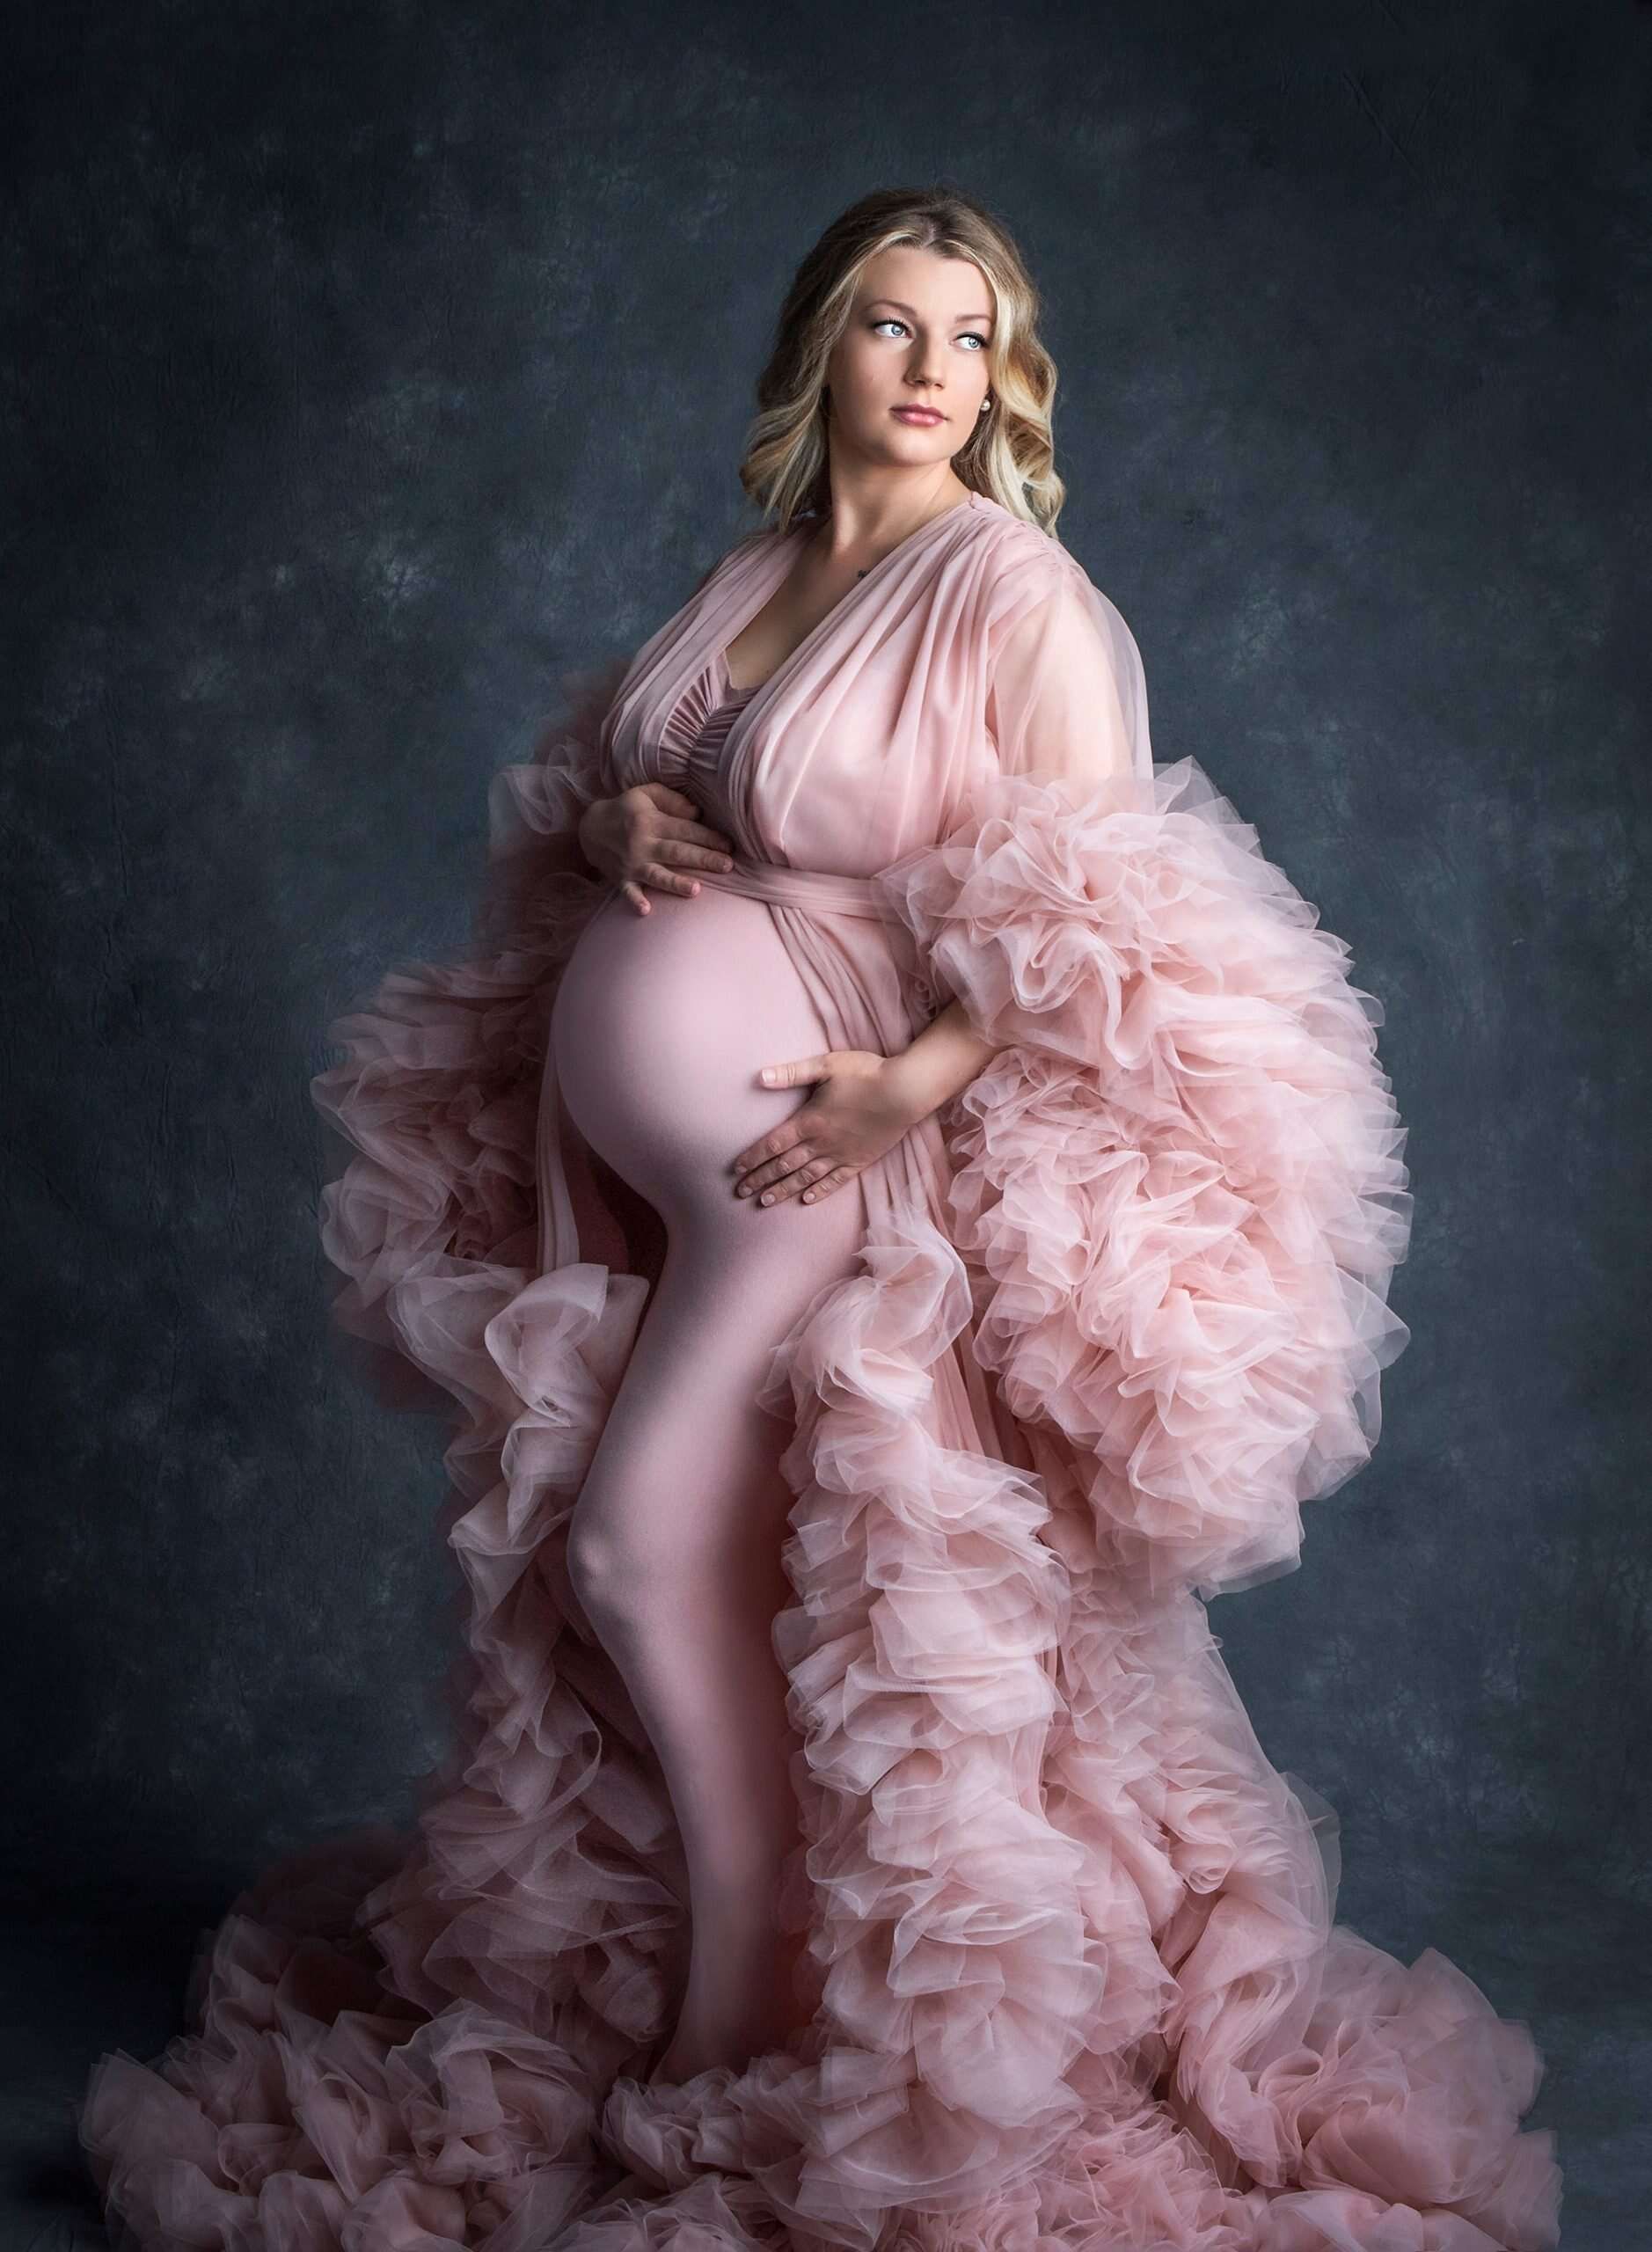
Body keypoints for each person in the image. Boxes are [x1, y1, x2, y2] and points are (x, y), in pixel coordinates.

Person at [77, 186, 1561, 2252]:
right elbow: (637, 774)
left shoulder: (1018, 597)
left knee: (638, 1536)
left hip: (827, 1164)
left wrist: (905, 1084)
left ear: (1006, 374)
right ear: (824, 351)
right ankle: (750, 1978)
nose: (937, 368)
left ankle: (750, 2020)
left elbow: (1105, 917)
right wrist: (620, 818)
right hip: (652, 1182)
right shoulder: (760, 572)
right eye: (894, 323)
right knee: (698, 1582)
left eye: (973, 332)